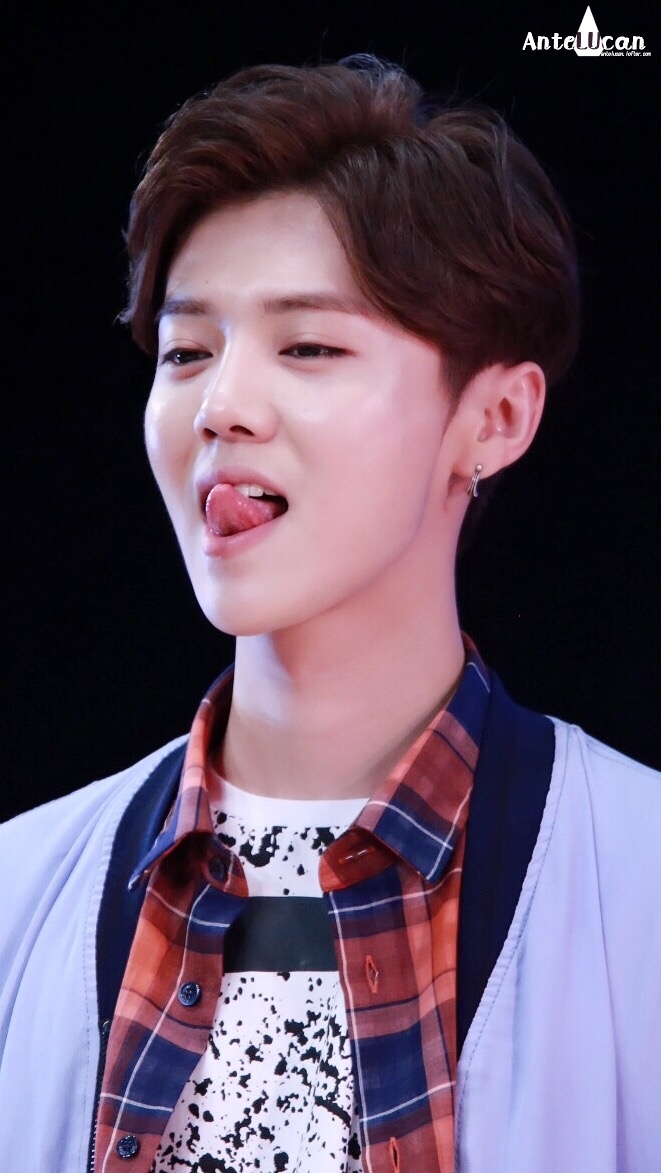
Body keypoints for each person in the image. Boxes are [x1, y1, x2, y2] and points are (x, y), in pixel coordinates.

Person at [1, 56, 659, 1173]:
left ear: (495, 417)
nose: (221, 406)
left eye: (308, 345)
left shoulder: (636, 882)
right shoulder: (21, 890)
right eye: (186, 352)